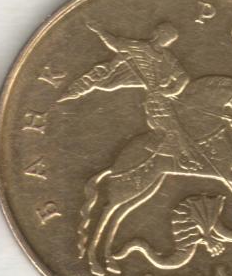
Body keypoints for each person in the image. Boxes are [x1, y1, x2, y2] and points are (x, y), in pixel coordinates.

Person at [60, 22, 202, 170]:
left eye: (169, 38)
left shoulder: (167, 57)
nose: (167, 40)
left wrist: (170, 91)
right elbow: (115, 43)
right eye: (167, 36)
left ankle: (183, 155)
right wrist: (99, 30)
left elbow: (183, 77)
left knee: (177, 125)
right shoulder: (139, 47)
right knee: (169, 126)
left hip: (160, 96)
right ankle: (180, 157)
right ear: (159, 34)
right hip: (154, 100)